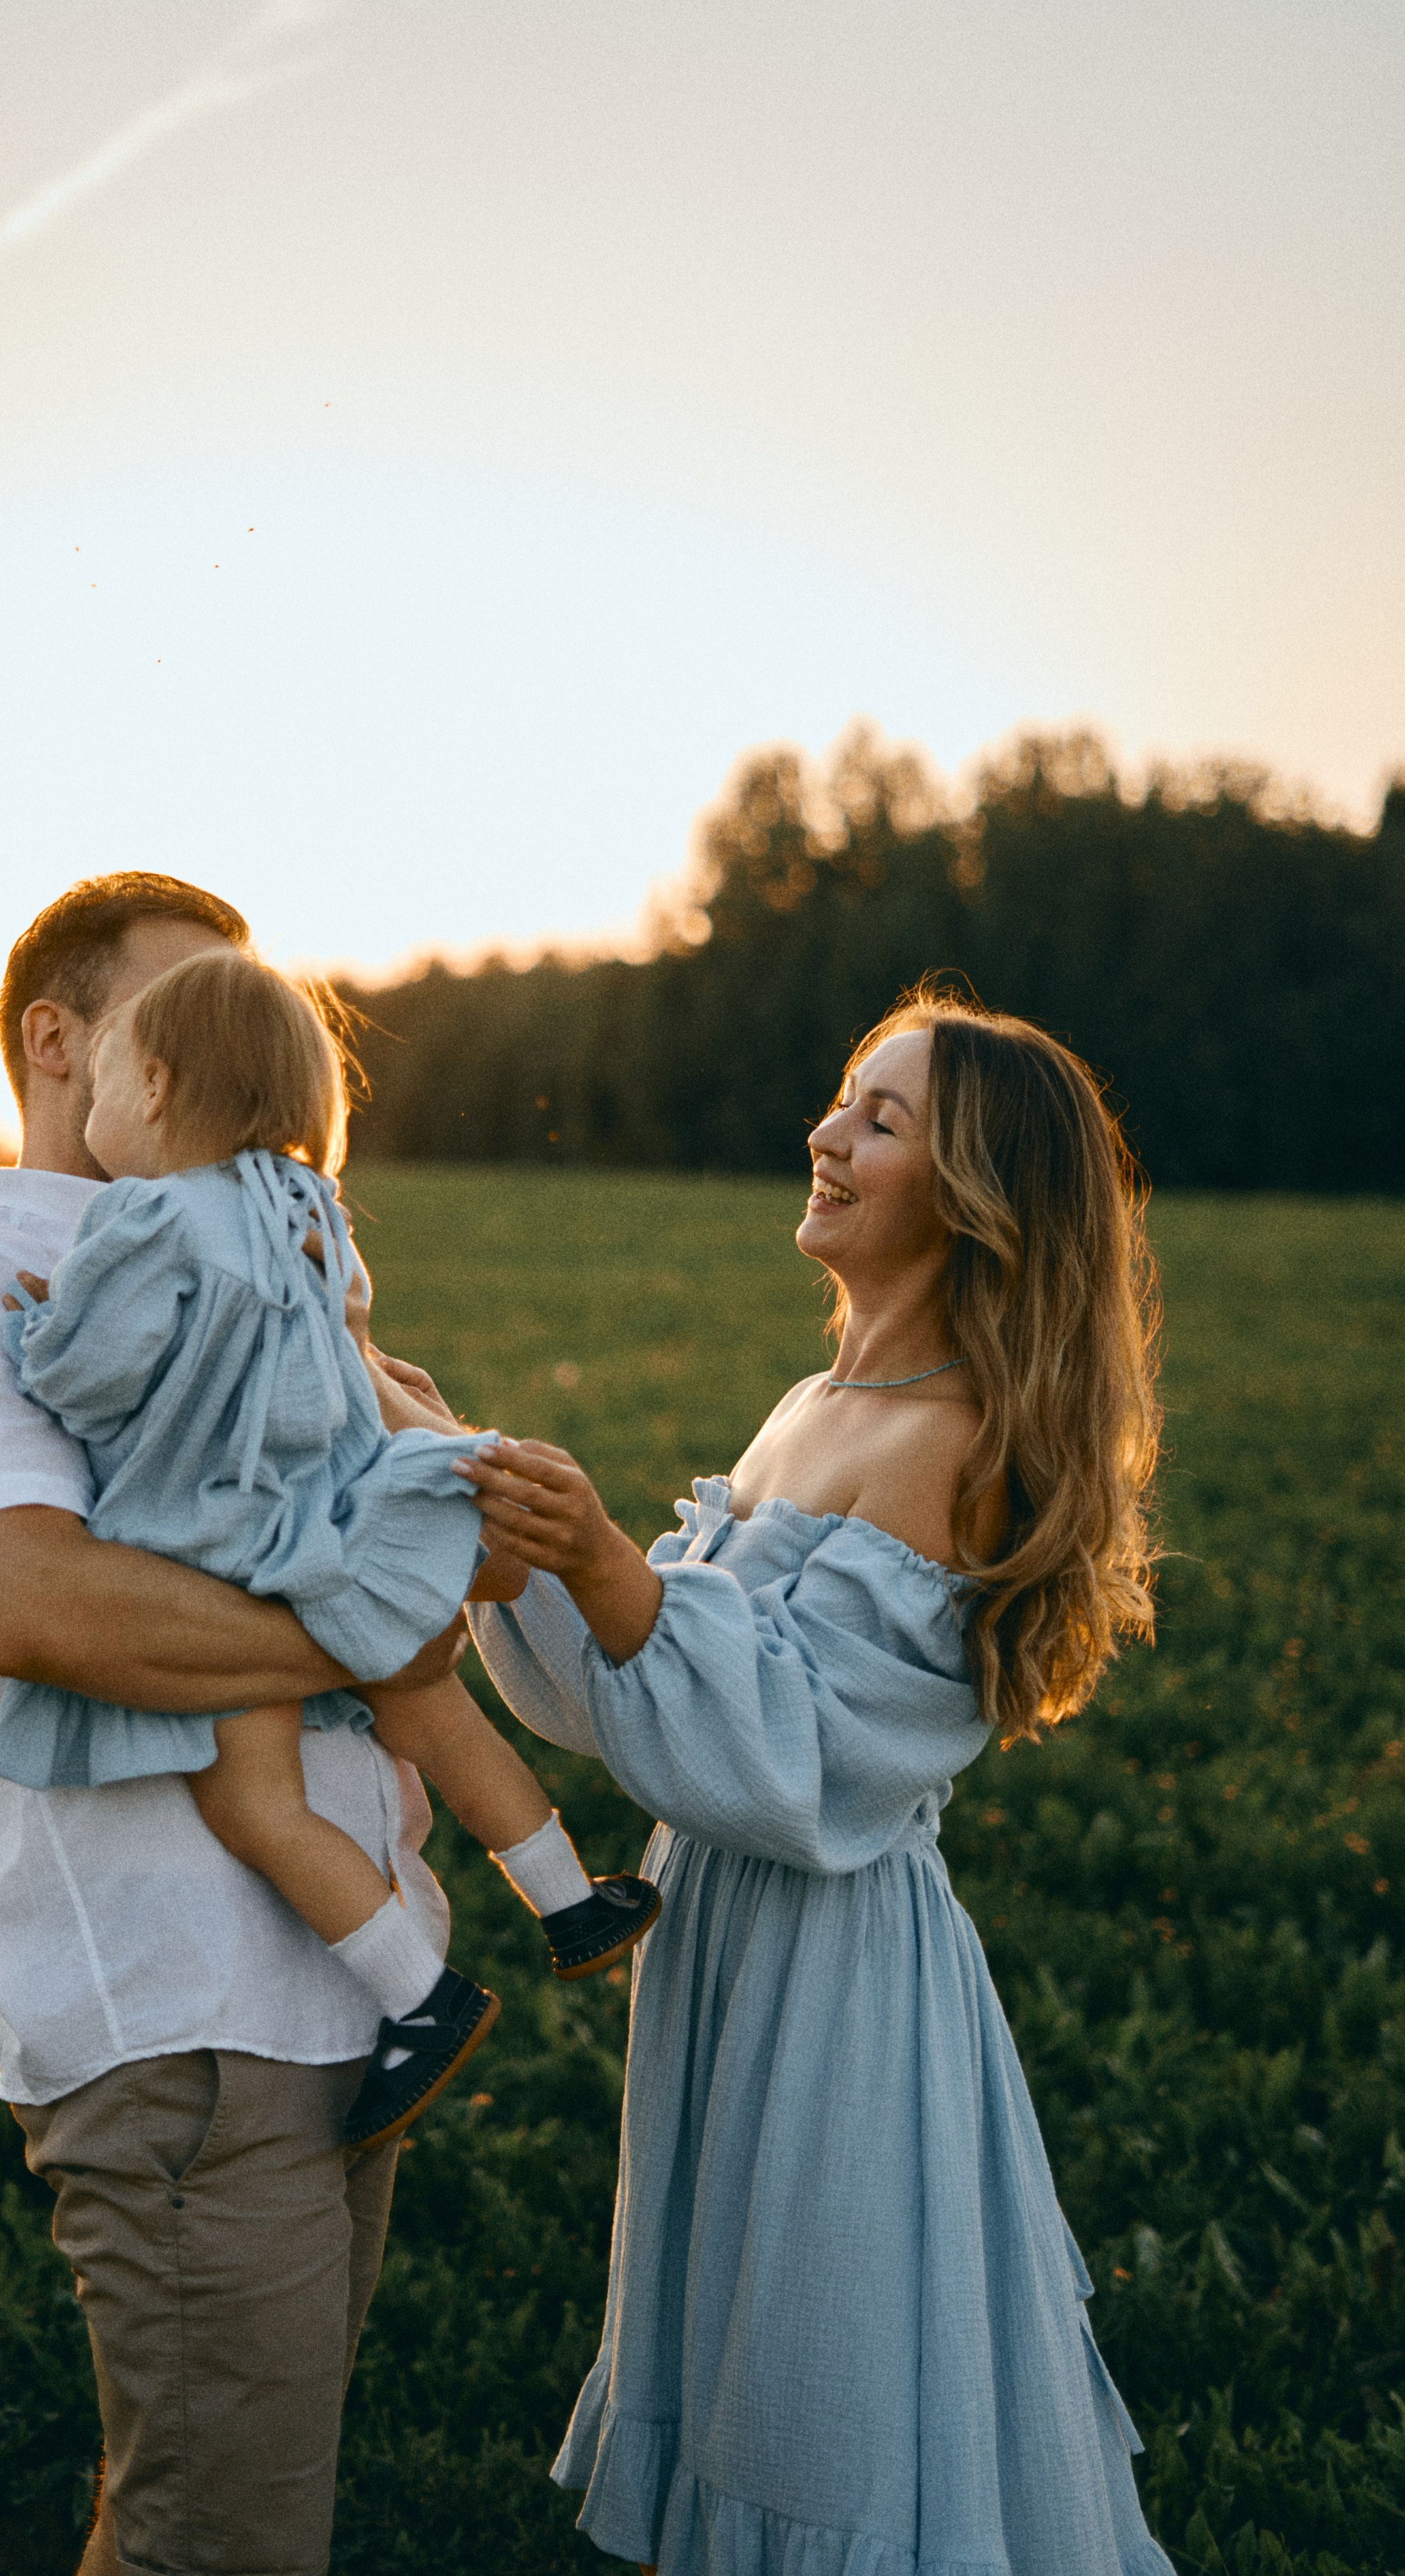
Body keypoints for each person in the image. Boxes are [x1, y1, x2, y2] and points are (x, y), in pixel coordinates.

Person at [451, 984, 1174, 2576]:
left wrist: (600, 1557)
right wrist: (514, 1546)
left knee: (813, 2385)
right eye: (843, 1099)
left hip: (833, 1967)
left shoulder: (954, 1441)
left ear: (974, 1199)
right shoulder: (813, 1408)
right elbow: (650, 1702)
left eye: (880, 1119)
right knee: (727, 2341)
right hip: (722, 1930)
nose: (825, 1135)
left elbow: (788, 1759)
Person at [0, 875, 459, 2575]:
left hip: (341, 1993)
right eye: (181, 1018)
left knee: (229, 2503)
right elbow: (36, 1603)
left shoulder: (268, 1268)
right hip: (174, 2011)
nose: (234, 1068)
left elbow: (424, 1557)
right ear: (61, 1039)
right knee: (222, 2541)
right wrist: (367, 1618)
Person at [0, 941, 658, 2149]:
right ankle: (572, 1903)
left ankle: (420, 1995)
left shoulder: (147, 1218)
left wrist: (35, 1333)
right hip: (362, 1518)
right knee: (437, 1711)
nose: (94, 1113)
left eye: (107, 1087)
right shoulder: (311, 1211)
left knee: (257, 1803)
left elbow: (92, 1380)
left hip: (237, 1543)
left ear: (152, 1091)